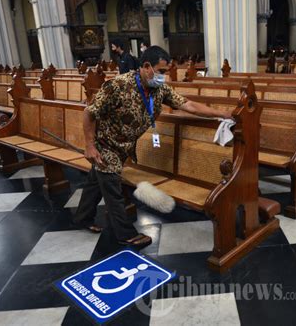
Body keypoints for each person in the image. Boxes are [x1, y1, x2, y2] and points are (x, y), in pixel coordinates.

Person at [73, 46, 233, 248]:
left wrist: (221, 113)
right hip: (106, 144)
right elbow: (89, 113)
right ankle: (125, 234)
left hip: (125, 146)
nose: (164, 77)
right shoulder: (118, 86)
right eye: (162, 71)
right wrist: (89, 145)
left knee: (96, 181)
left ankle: (82, 217)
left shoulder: (160, 90)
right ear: (147, 66)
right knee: (112, 188)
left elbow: (188, 105)